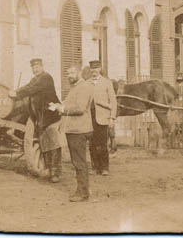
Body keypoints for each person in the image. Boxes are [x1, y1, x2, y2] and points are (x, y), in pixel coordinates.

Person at [9, 58, 62, 182]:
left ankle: (56, 173)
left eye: (38, 66)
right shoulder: (35, 79)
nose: (35, 69)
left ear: (42, 66)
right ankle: (46, 169)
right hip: (39, 116)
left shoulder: (46, 78)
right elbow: (29, 87)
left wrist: (16, 93)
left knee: (53, 143)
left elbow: (31, 88)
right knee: (44, 142)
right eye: (33, 67)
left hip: (50, 115)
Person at [49, 64, 94, 202]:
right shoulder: (76, 87)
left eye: (72, 73)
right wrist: (58, 106)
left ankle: (83, 193)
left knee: (79, 162)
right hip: (75, 129)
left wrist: (62, 109)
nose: (69, 76)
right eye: (68, 73)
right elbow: (72, 104)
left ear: (79, 73)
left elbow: (80, 108)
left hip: (78, 130)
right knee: (78, 161)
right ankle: (83, 189)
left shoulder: (84, 87)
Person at [87, 60, 117, 175]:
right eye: (92, 69)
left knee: (103, 143)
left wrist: (112, 118)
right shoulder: (87, 82)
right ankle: (95, 167)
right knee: (92, 143)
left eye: (96, 68)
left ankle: (104, 168)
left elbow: (113, 101)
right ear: (90, 70)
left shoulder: (106, 82)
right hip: (90, 117)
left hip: (103, 117)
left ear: (100, 69)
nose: (94, 71)